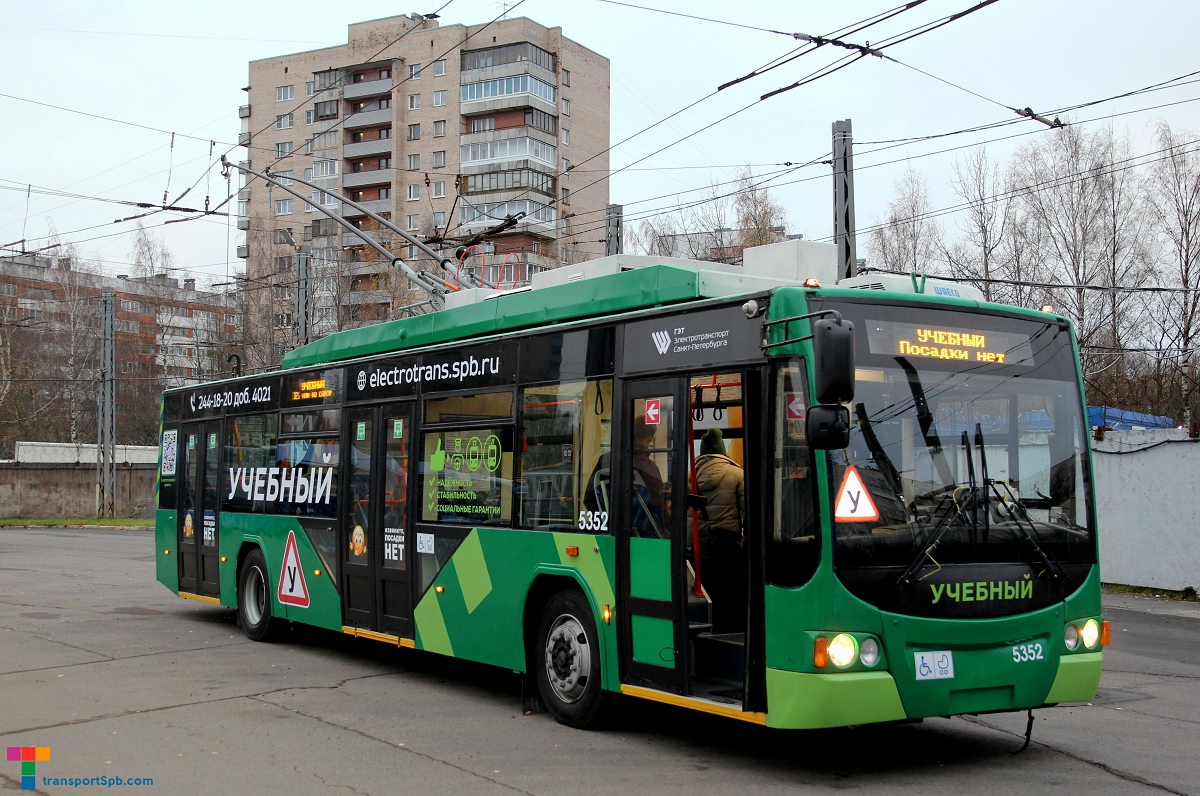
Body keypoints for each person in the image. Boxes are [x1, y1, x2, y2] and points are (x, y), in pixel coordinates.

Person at [694, 428, 745, 633]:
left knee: (706, 591)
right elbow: (746, 511)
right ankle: (728, 630)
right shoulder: (737, 474)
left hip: (698, 548)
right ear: (723, 451)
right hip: (726, 547)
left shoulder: (690, 474)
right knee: (729, 593)